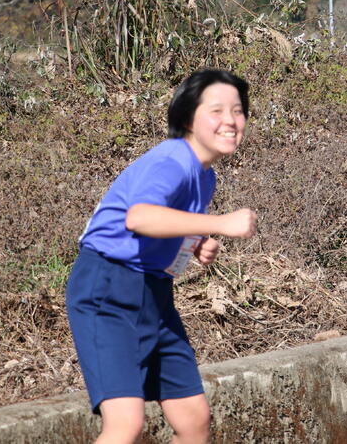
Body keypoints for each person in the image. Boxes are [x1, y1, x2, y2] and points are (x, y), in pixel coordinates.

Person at [66, 69, 258, 444]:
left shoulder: (205, 175)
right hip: (108, 289)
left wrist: (197, 241)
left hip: (154, 294)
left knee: (194, 421)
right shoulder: (172, 160)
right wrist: (220, 223)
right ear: (187, 119)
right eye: (216, 110)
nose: (231, 120)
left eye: (238, 111)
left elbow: (166, 222)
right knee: (125, 424)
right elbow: (140, 217)